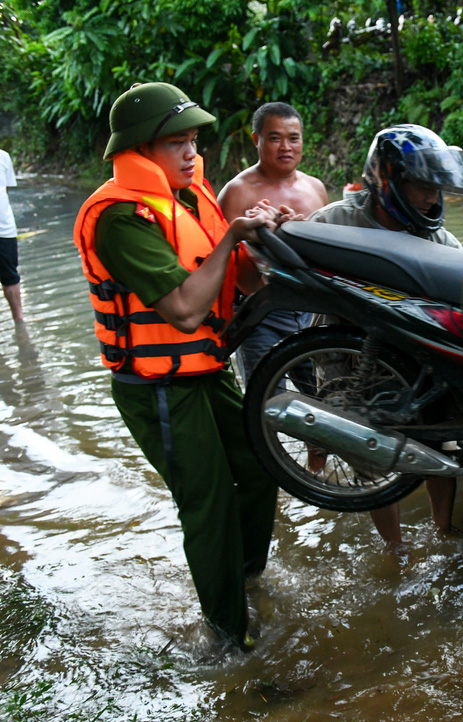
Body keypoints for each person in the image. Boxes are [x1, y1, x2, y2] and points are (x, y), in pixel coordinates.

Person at [72, 82, 283, 651]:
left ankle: (243, 583)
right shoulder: (120, 218)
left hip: (206, 371)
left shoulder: (191, 197)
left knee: (262, 464)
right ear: (139, 151)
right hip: (158, 384)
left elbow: (238, 279)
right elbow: (186, 310)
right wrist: (233, 236)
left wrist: (262, 235)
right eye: (177, 144)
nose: (192, 154)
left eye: (194, 142)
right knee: (207, 502)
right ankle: (229, 639)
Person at [308, 123, 463, 546]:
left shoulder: (439, 239)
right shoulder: (334, 221)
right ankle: (395, 548)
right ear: (388, 179)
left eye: (436, 186)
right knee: (369, 454)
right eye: (421, 185)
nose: (432, 196)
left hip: (416, 360)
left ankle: (443, 529)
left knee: (439, 442)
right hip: (349, 360)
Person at [218, 102, 329, 384]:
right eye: (275, 138)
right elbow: (222, 264)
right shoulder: (237, 192)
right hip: (261, 312)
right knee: (265, 403)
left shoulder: (315, 188)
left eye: (293, 138)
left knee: (322, 400)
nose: (285, 147)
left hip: (311, 311)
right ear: (257, 140)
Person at [0, 148, 23, 323]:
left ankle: (19, 322)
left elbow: (5, 190)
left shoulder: (4, 157)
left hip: (5, 229)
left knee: (11, 277)